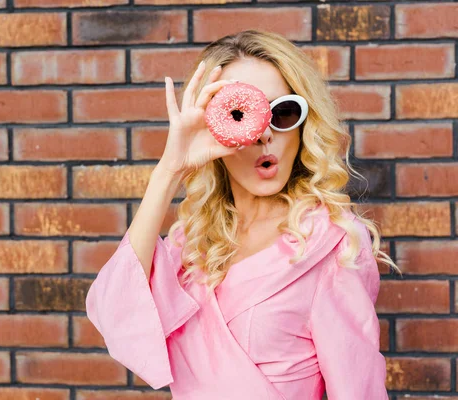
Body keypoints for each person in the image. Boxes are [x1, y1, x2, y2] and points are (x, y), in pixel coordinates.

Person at [85, 30, 400, 399]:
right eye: (240, 114)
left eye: (283, 113)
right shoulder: (193, 245)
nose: (264, 134)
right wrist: (169, 170)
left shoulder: (330, 244)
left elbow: (358, 390)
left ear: (304, 124)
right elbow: (115, 315)